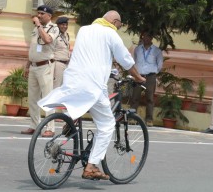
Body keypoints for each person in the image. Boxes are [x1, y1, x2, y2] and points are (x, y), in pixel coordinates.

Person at [38, 10, 146, 180]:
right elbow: (126, 61)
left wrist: (108, 70)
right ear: (115, 22)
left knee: (80, 101)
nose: (118, 28)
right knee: (107, 125)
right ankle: (91, 166)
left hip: (73, 78)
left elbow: (92, 56)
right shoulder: (111, 33)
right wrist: (139, 78)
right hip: (92, 84)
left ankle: (70, 120)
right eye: (119, 25)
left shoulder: (85, 30)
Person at [21, 5, 59, 138]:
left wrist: (38, 25)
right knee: (32, 98)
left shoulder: (54, 28)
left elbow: (47, 40)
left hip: (45, 67)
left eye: (42, 14)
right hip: (33, 66)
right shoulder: (35, 28)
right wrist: (27, 65)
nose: (39, 16)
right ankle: (34, 125)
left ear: (49, 16)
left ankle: (50, 128)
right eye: (38, 13)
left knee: (47, 97)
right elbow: (32, 48)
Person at [130, 31, 163, 127]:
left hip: (150, 76)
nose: (146, 38)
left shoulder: (157, 51)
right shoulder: (137, 49)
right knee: (135, 97)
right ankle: (132, 117)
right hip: (138, 75)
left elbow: (160, 64)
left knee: (150, 98)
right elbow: (135, 61)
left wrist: (153, 72)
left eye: (148, 37)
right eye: (144, 37)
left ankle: (149, 119)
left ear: (151, 38)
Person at [54, 16, 71, 88]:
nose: (65, 26)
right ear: (58, 25)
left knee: (63, 87)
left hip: (66, 64)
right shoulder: (54, 35)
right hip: (57, 63)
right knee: (55, 86)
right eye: (63, 24)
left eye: (66, 24)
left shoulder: (66, 35)